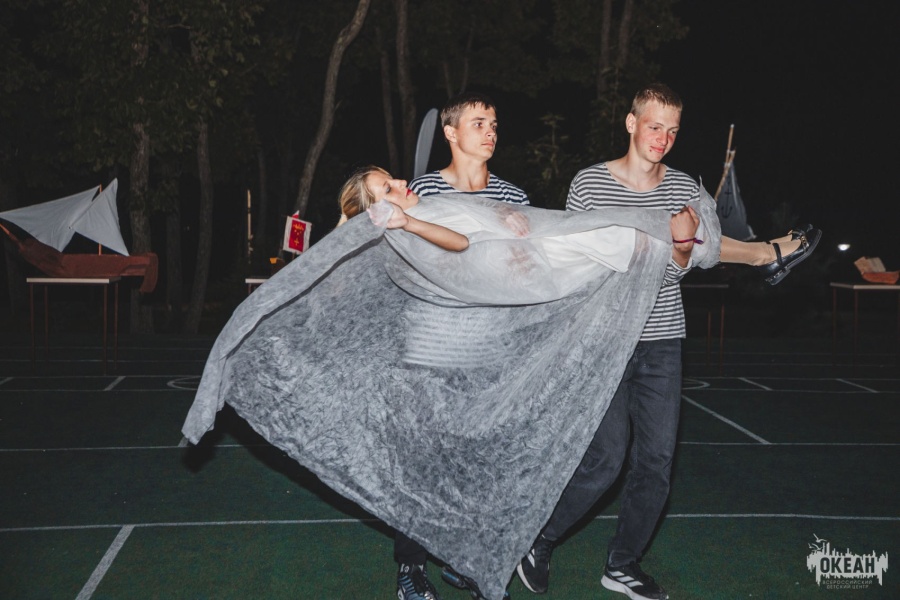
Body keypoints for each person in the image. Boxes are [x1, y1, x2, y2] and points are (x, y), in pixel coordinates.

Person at [514, 83, 819, 600]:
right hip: (605, 340)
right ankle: (540, 540)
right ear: (631, 123)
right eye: (654, 126)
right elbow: (578, 266)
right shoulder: (590, 183)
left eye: (673, 130)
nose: (663, 138)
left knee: (656, 464)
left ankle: (623, 564)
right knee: (605, 460)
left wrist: (679, 249)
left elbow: (680, 269)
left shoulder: (681, 187)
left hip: (661, 340)